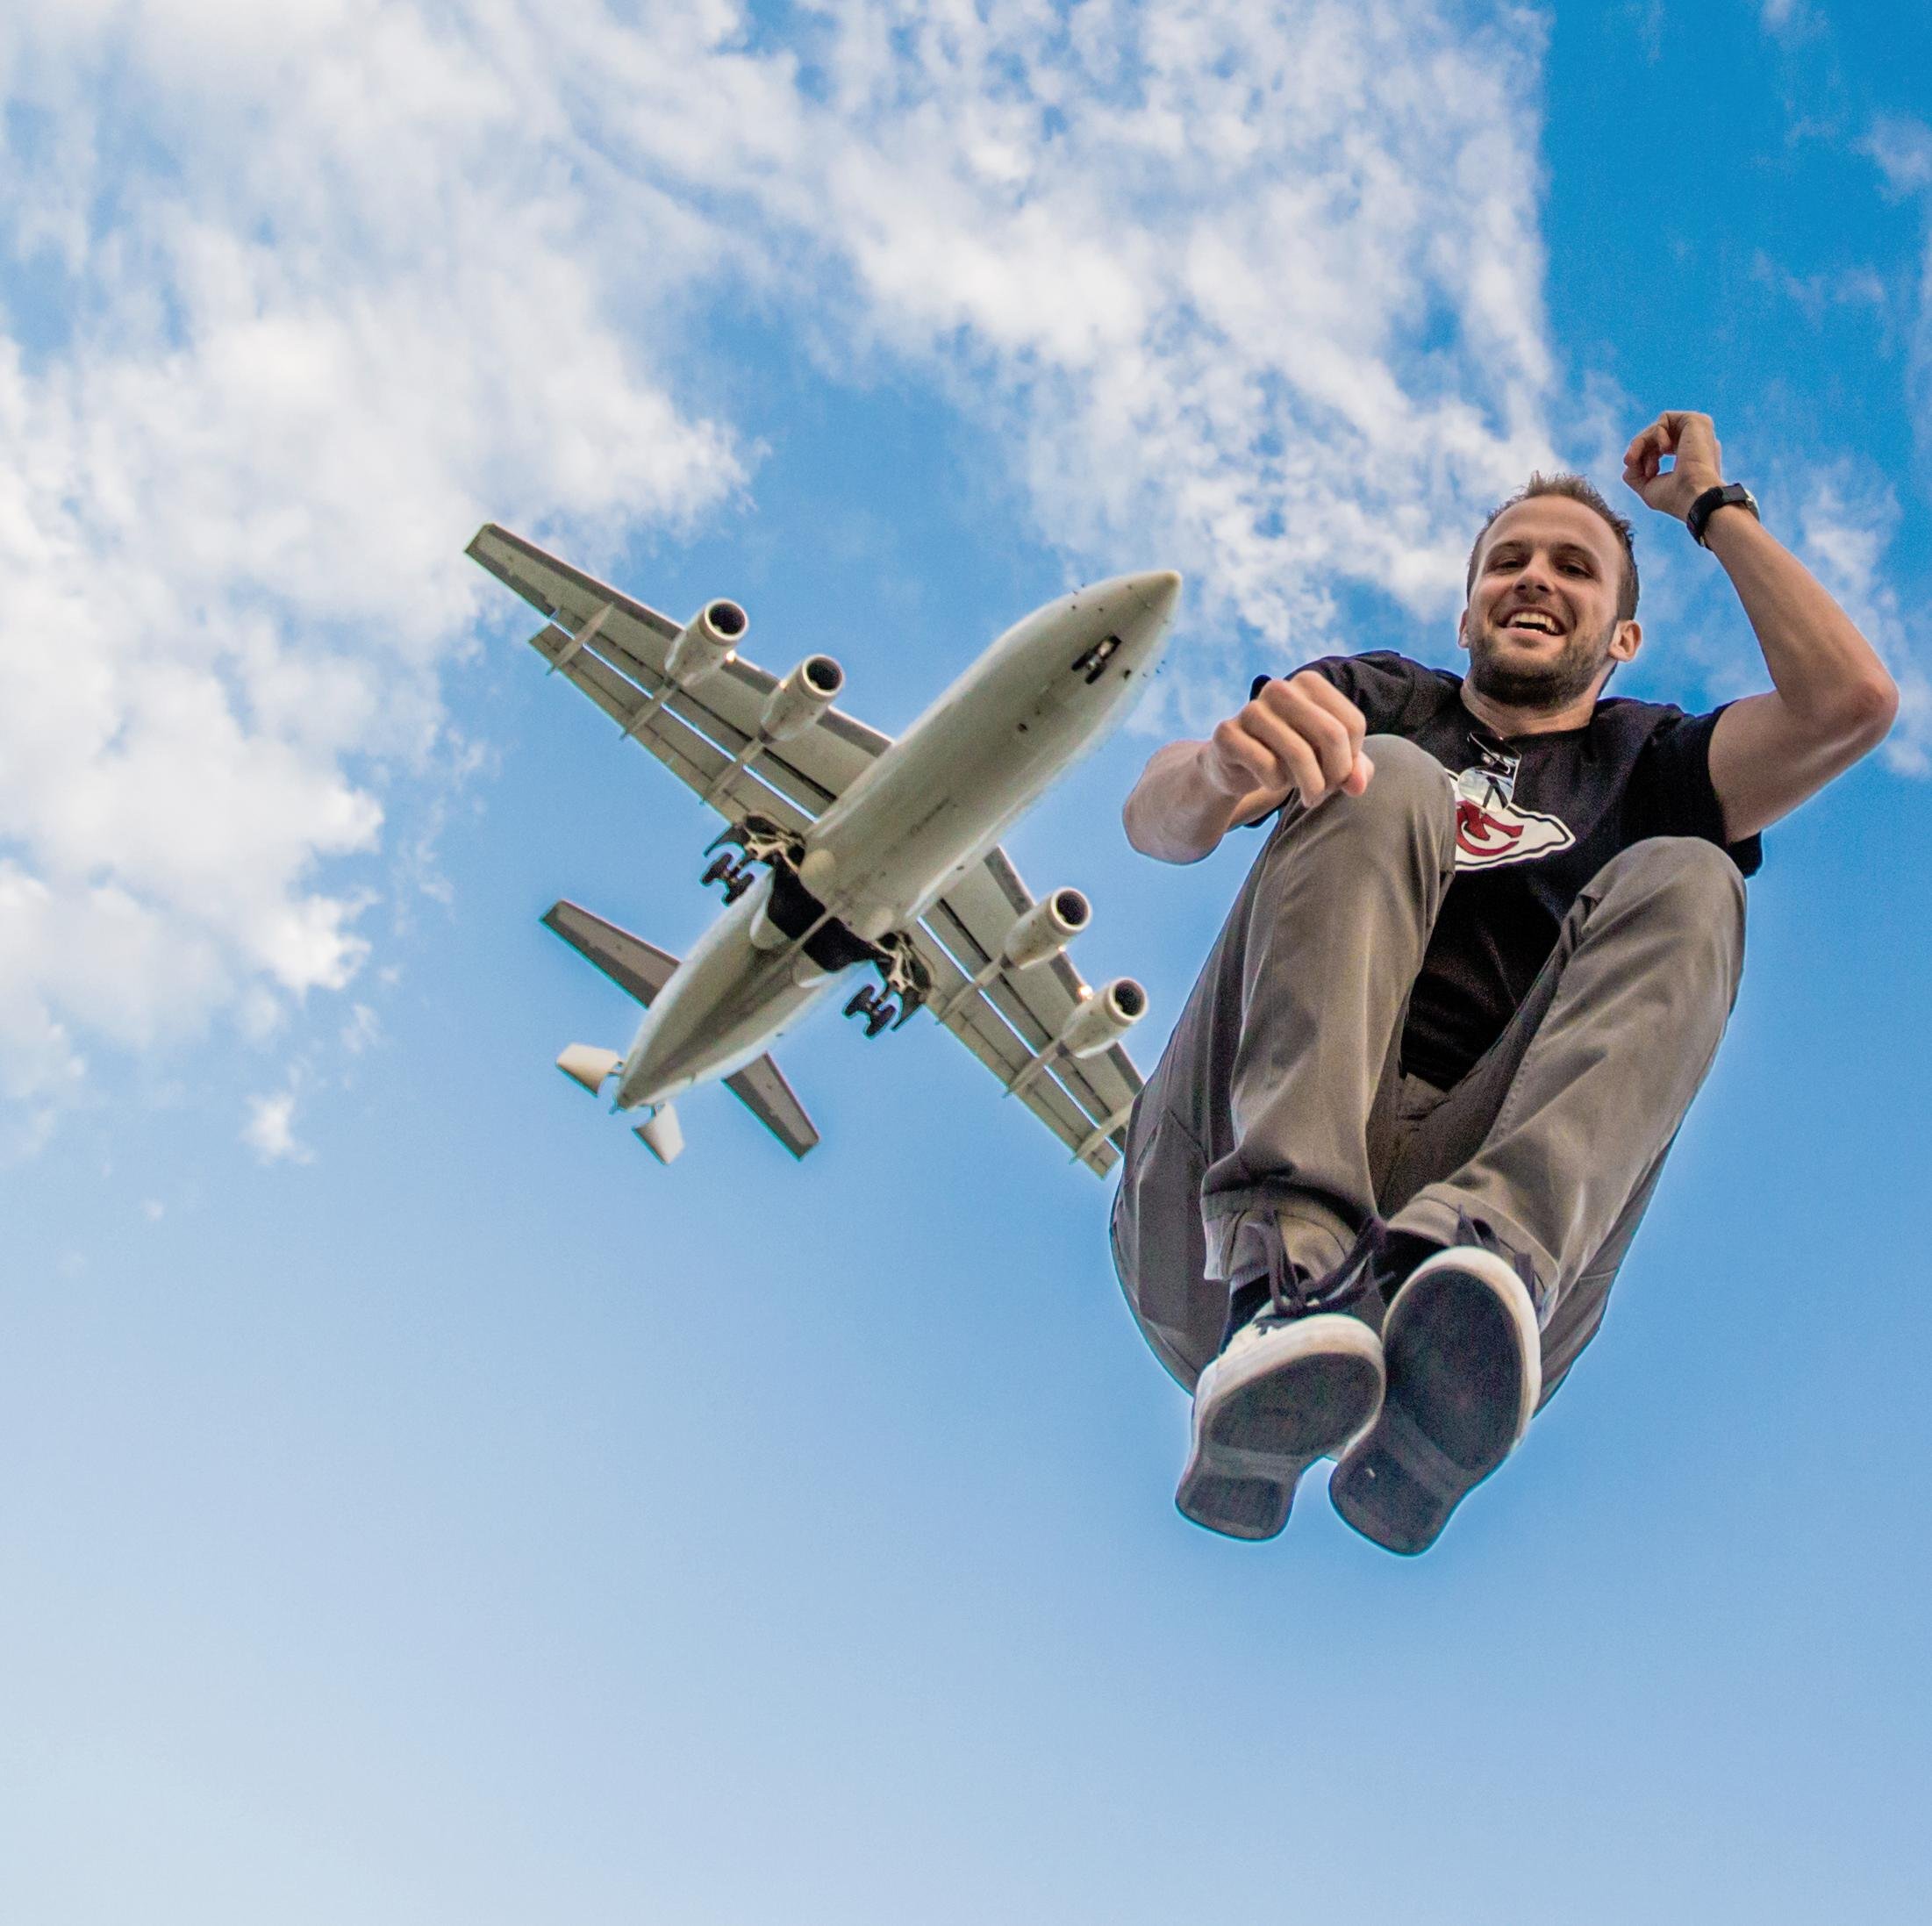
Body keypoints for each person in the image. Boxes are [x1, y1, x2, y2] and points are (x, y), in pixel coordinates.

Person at [1112, 412, 1899, 1553]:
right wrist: (1221, 770)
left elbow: (1848, 708)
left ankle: (1463, 1305)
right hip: (1220, 1213)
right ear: (1466, 608)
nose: (1535, 579)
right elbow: (1160, 818)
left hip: (1480, 1256)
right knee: (1383, 778)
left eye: (1573, 567)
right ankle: (1287, 1290)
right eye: (1508, 563)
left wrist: (1709, 511)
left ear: (1619, 635)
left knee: (1694, 880)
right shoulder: (1381, 697)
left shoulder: (1649, 763)